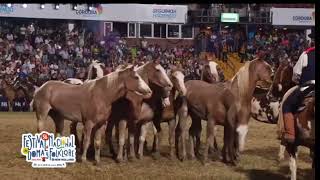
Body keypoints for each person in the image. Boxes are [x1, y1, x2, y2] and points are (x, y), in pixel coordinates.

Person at [281, 28, 315, 144]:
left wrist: (298, 81)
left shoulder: (306, 55)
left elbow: (296, 74)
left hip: (308, 87)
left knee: (286, 105)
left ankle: (290, 134)